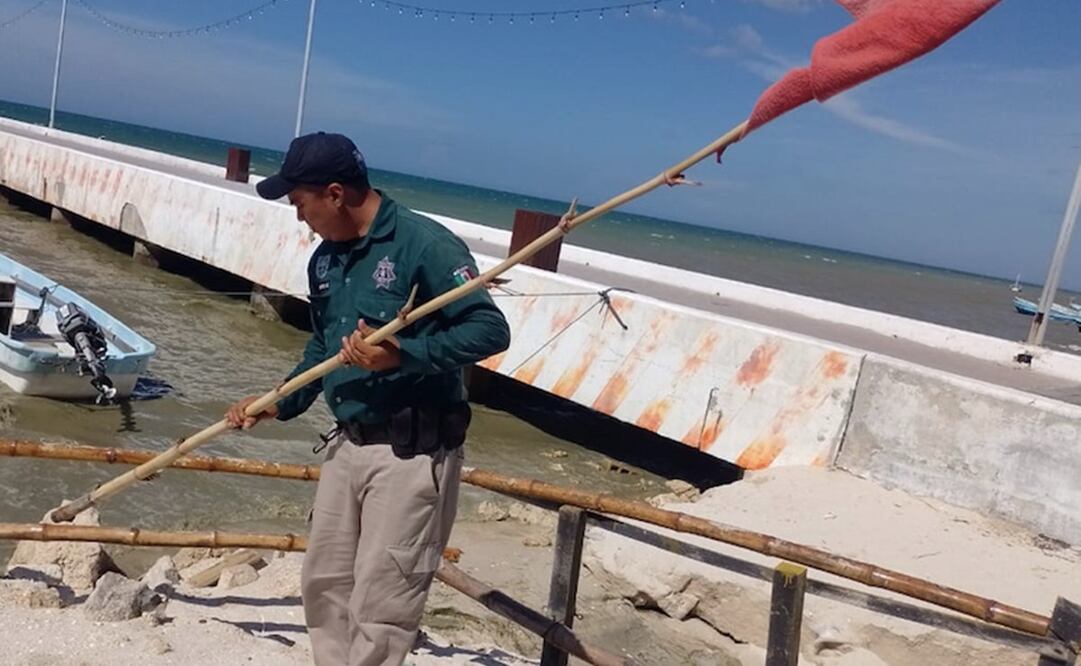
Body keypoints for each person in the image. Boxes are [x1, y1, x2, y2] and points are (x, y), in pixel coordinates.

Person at [225, 132, 511, 666]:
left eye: (300, 202)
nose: (298, 216)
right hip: (347, 444)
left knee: (382, 604)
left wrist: (403, 353)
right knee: (325, 584)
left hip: (410, 455)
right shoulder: (326, 262)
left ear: (335, 194)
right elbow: (323, 344)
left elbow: (490, 331)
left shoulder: (425, 245)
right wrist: (281, 400)